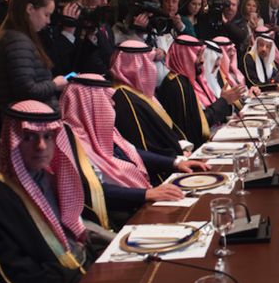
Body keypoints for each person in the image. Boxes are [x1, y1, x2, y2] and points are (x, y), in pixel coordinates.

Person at [0, 101, 93, 283]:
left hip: (74, 277)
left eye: (48, 137)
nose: (42, 146)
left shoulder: (45, 177)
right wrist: (85, 280)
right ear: (12, 142)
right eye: (29, 137)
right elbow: (16, 278)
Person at [61, 75, 207, 226]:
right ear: (89, 104)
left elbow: (132, 152)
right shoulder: (71, 142)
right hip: (120, 212)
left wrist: (175, 163)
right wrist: (146, 194)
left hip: (139, 196)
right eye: (106, 98)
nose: (112, 104)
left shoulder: (97, 128)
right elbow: (95, 190)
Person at [157, 36, 247, 147]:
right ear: (186, 56)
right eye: (198, 55)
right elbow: (197, 125)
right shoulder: (177, 85)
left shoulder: (192, 80)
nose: (202, 60)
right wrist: (224, 101)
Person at [0, 0, 68, 112]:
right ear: (30, 8)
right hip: (30, 121)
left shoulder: (15, 37)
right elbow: (26, 90)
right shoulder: (17, 40)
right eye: (46, 14)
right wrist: (55, 84)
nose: (48, 21)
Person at [110, 40, 188, 159]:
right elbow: (144, 144)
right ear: (136, 67)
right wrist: (176, 157)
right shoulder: (125, 99)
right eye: (148, 62)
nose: (152, 68)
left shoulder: (138, 94)